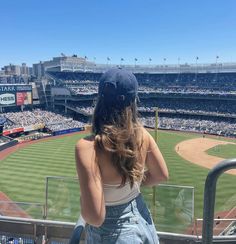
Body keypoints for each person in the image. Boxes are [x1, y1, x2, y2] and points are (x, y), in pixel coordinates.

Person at [75, 68, 169, 244]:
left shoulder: (87, 147)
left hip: (110, 232)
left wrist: (83, 200)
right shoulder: (143, 134)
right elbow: (161, 174)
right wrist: (131, 180)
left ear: (99, 101)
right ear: (133, 101)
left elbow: (95, 217)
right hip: (142, 217)